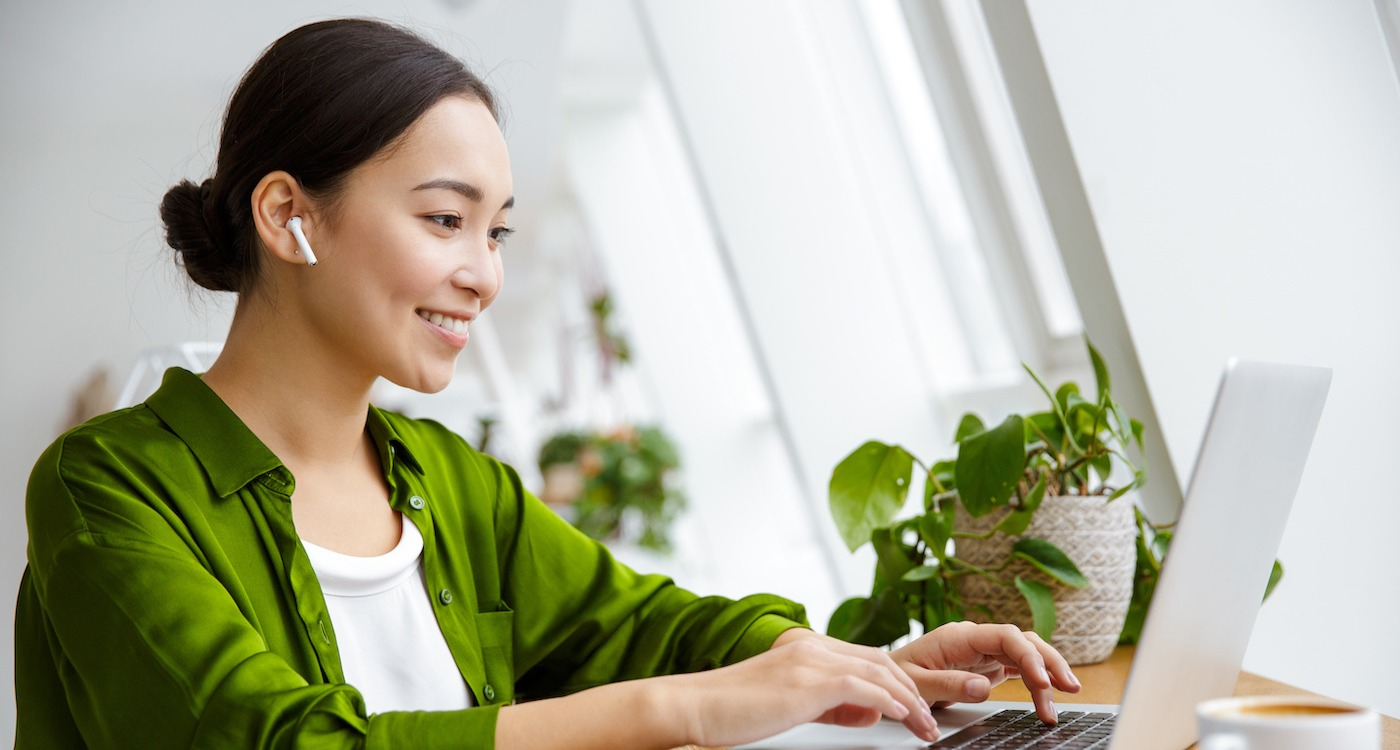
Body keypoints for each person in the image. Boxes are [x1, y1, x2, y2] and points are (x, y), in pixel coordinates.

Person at [14, 18, 1080, 749]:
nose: (484, 274)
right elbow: (272, 741)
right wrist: (682, 711)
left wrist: (859, 665)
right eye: (444, 219)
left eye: (498, 231)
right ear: (290, 214)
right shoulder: (108, 487)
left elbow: (654, 625)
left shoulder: (445, 479)